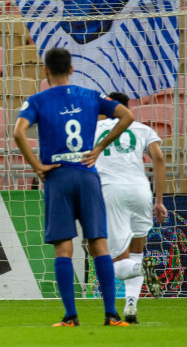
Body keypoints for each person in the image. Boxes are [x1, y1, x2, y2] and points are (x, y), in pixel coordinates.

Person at [12, 47, 135, 327]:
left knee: (63, 249)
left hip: (57, 177)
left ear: (46, 71)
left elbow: (18, 132)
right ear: (71, 69)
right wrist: (100, 147)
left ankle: (71, 317)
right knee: (99, 244)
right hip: (87, 174)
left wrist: (37, 166)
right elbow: (127, 116)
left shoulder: (37, 100)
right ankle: (111, 315)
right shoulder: (91, 96)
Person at [94, 92, 167, 323]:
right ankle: (131, 307)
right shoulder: (143, 129)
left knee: (117, 262)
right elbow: (159, 158)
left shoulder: (95, 128)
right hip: (140, 191)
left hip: (110, 192)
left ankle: (141, 268)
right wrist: (159, 200)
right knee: (137, 251)